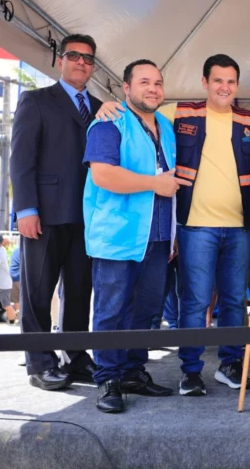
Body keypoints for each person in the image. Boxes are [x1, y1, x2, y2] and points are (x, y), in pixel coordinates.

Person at [96, 54, 250, 396]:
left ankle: (231, 365)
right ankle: (190, 371)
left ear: (238, 85)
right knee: (194, 302)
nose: (224, 87)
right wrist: (107, 105)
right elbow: (138, 109)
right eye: (217, 80)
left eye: (231, 81)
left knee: (234, 302)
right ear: (204, 83)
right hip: (193, 227)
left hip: (237, 228)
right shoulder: (179, 113)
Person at [83, 59, 188, 413]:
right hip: (117, 236)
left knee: (147, 310)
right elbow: (103, 175)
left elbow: (171, 180)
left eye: (158, 83)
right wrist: (153, 184)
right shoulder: (109, 121)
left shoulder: (166, 127)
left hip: (157, 238)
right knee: (111, 310)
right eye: (144, 82)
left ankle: (132, 371)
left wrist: (172, 232)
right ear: (126, 88)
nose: (153, 89)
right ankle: (108, 378)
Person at [10, 33, 102, 391]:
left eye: (88, 59)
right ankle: (40, 362)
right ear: (60, 60)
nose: (81, 63)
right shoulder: (35, 100)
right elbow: (21, 159)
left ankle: (75, 357)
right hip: (44, 215)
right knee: (38, 291)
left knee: (80, 291)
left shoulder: (101, 107)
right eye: (74, 56)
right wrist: (25, 209)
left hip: (88, 216)